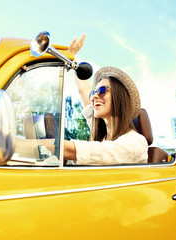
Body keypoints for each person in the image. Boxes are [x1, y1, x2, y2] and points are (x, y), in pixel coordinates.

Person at [63, 34, 148, 165]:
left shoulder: (136, 143)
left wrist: (49, 146)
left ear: (120, 98)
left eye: (102, 91)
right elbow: (83, 90)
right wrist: (72, 58)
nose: (95, 96)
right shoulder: (101, 132)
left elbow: (95, 152)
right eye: (94, 93)